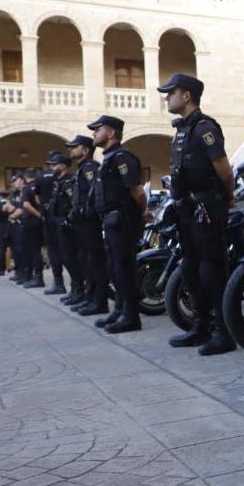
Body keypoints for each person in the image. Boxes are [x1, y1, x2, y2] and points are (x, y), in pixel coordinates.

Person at [160, 73, 238, 355]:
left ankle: (223, 332)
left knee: (211, 269)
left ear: (187, 95)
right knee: (191, 268)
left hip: (206, 206)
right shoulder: (182, 130)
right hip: (186, 209)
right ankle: (201, 325)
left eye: (171, 92)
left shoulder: (205, 127)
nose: (167, 97)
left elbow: (224, 170)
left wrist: (226, 197)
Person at [88, 115, 152, 333]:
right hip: (111, 220)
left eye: (98, 130)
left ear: (111, 133)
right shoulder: (109, 158)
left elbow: (137, 190)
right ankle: (119, 309)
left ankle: (131, 317)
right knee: (115, 267)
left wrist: (144, 210)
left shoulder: (122, 157)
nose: (94, 134)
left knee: (124, 269)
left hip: (123, 219)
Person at [65, 135, 109, 316]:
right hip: (81, 222)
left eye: (75, 147)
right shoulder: (82, 168)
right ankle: (90, 298)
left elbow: (95, 191)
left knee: (95, 262)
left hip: (90, 222)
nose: (71, 150)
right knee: (87, 261)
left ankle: (99, 301)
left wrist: (86, 210)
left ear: (85, 150)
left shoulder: (91, 167)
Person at [45, 152, 81, 303]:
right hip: (57, 224)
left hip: (67, 225)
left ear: (63, 166)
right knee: (66, 258)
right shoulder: (58, 181)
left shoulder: (69, 182)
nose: (51, 167)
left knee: (71, 259)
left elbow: (74, 203)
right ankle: (75, 289)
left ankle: (78, 290)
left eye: (54, 165)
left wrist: (68, 220)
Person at [39, 152, 68, 295]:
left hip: (53, 218)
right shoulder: (59, 178)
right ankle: (71, 286)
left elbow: (38, 196)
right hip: (59, 218)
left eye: (54, 164)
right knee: (63, 251)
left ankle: (60, 283)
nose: (52, 167)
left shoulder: (44, 177)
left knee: (58, 251)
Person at [18, 168, 46, 289]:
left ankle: (38, 278)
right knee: (40, 249)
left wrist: (39, 215)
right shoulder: (40, 186)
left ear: (25, 177)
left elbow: (26, 205)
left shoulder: (26, 188)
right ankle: (37, 276)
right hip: (41, 221)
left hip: (31, 221)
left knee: (33, 250)